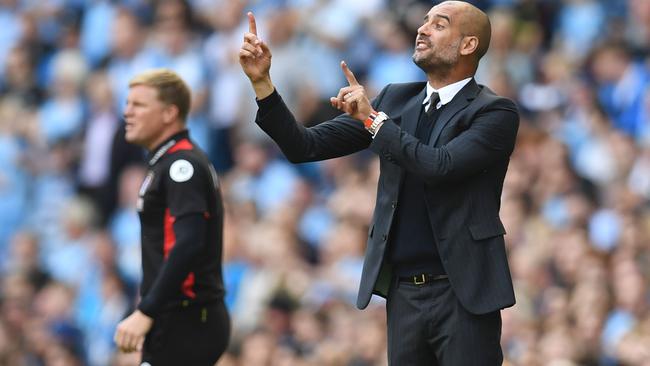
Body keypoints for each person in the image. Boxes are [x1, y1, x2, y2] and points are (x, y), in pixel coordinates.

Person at [239, 1, 519, 364]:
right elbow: (303, 145)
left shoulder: (493, 111)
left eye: (439, 24)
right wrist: (263, 83)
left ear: (468, 45)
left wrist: (373, 120)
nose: (422, 29)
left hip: (462, 292)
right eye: (424, 21)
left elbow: (440, 165)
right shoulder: (395, 100)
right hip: (403, 294)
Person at [113, 69, 230, 365]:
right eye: (127, 104)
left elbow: (189, 242)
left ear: (169, 113)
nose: (127, 112)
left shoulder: (182, 166)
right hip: (174, 317)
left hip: (189, 318)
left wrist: (147, 310)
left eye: (138, 105)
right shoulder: (165, 162)